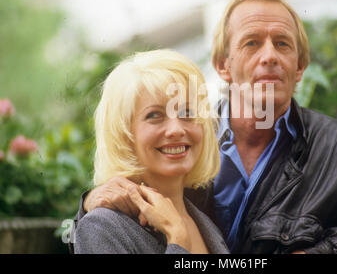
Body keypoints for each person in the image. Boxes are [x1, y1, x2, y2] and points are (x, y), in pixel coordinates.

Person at [71, 0, 337, 254]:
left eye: (283, 44)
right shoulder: (186, 141)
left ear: (300, 66)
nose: (269, 56)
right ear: (222, 65)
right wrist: (90, 202)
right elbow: (108, 229)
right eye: (252, 43)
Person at [73, 50, 229, 254]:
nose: (176, 129)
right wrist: (178, 241)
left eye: (187, 113)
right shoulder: (102, 228)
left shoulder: (204, 221)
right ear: (124, 134)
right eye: (154, 115)